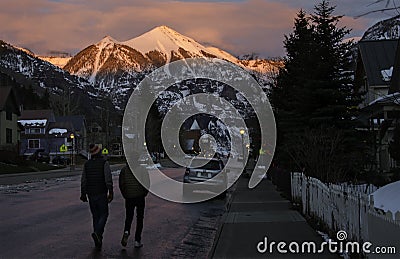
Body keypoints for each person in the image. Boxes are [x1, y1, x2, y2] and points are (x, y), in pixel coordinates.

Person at [80, 144, 113, 249]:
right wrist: (110, 192)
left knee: (95, 216)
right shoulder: (104, 163)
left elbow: (83, 180)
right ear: (99, 153)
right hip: (101, 193)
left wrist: (83, 193)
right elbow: (108, 179)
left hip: (91, 193)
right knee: (104, 214)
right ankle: (98, 233)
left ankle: (98, 240)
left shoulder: (87, 164)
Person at [119, 152, 150, 248]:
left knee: (129, 217)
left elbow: (121, 184)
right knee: (139, 218)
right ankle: (137, 240)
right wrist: (144, 193)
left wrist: (125, 194)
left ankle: (126, 231)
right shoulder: (142, 169)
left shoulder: (124, 170)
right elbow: (146, 183)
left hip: (129, 197)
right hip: (140, 196)